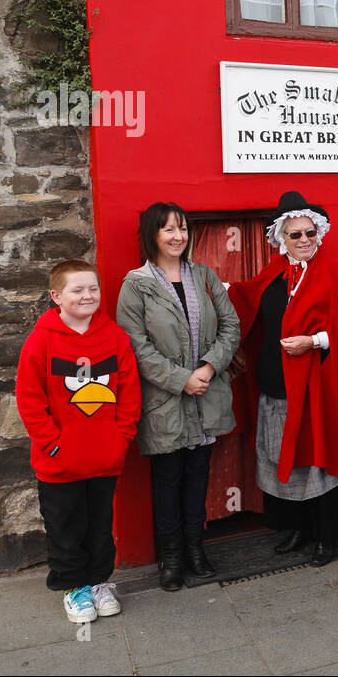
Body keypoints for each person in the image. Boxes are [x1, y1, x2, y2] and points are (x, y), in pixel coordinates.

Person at [228, 192, 338, 566]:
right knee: (281, 462)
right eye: (295, 235)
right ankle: (300, 529)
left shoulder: (337, 272)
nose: (304, 240)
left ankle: (329, 538)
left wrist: (315, 341)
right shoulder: (273, 273)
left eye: (309, 233)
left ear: (319, 233)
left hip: (318, 388)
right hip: (276, 386)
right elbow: (246, 303)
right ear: (281, 239)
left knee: (318, 463)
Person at [115, 203, 240, 592]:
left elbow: (231, 326)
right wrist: (180, 379)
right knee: (167, 479)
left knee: (197, 476)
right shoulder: (135, 284)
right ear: (152, 234)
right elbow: (135, 346)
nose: (177, 236)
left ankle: (195, 551)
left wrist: (207, 368)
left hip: (206, 394)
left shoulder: (204, 276)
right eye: (168, 229)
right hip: (165, 401)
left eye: (183, 228)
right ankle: (170, 560)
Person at [16, 259, 141, 623]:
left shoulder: (115, 337)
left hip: (104, 456)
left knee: (100, 525)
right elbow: (30, 399)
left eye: (93, 288)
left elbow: (129, 393)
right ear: (56, 296)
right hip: (59, 462)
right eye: (77, 289)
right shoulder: (40, 341)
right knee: (65, 526)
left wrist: (122, 437)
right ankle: (74, 588)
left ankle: (100, 581)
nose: (88, 295)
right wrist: (52, 444)